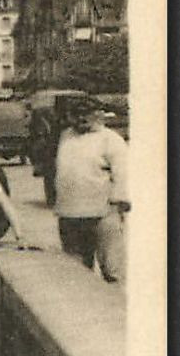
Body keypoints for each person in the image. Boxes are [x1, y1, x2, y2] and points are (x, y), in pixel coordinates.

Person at [54, 95, 130, 284]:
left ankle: (115, 310)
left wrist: (118, 203)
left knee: (112, 270)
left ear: (99, 115)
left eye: (87, 114)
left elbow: (124, 174)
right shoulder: (65, 137)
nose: (81, 119)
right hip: (69, 213)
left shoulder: (110, 139)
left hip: (102, 213)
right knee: (75, 273)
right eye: (77, 114)